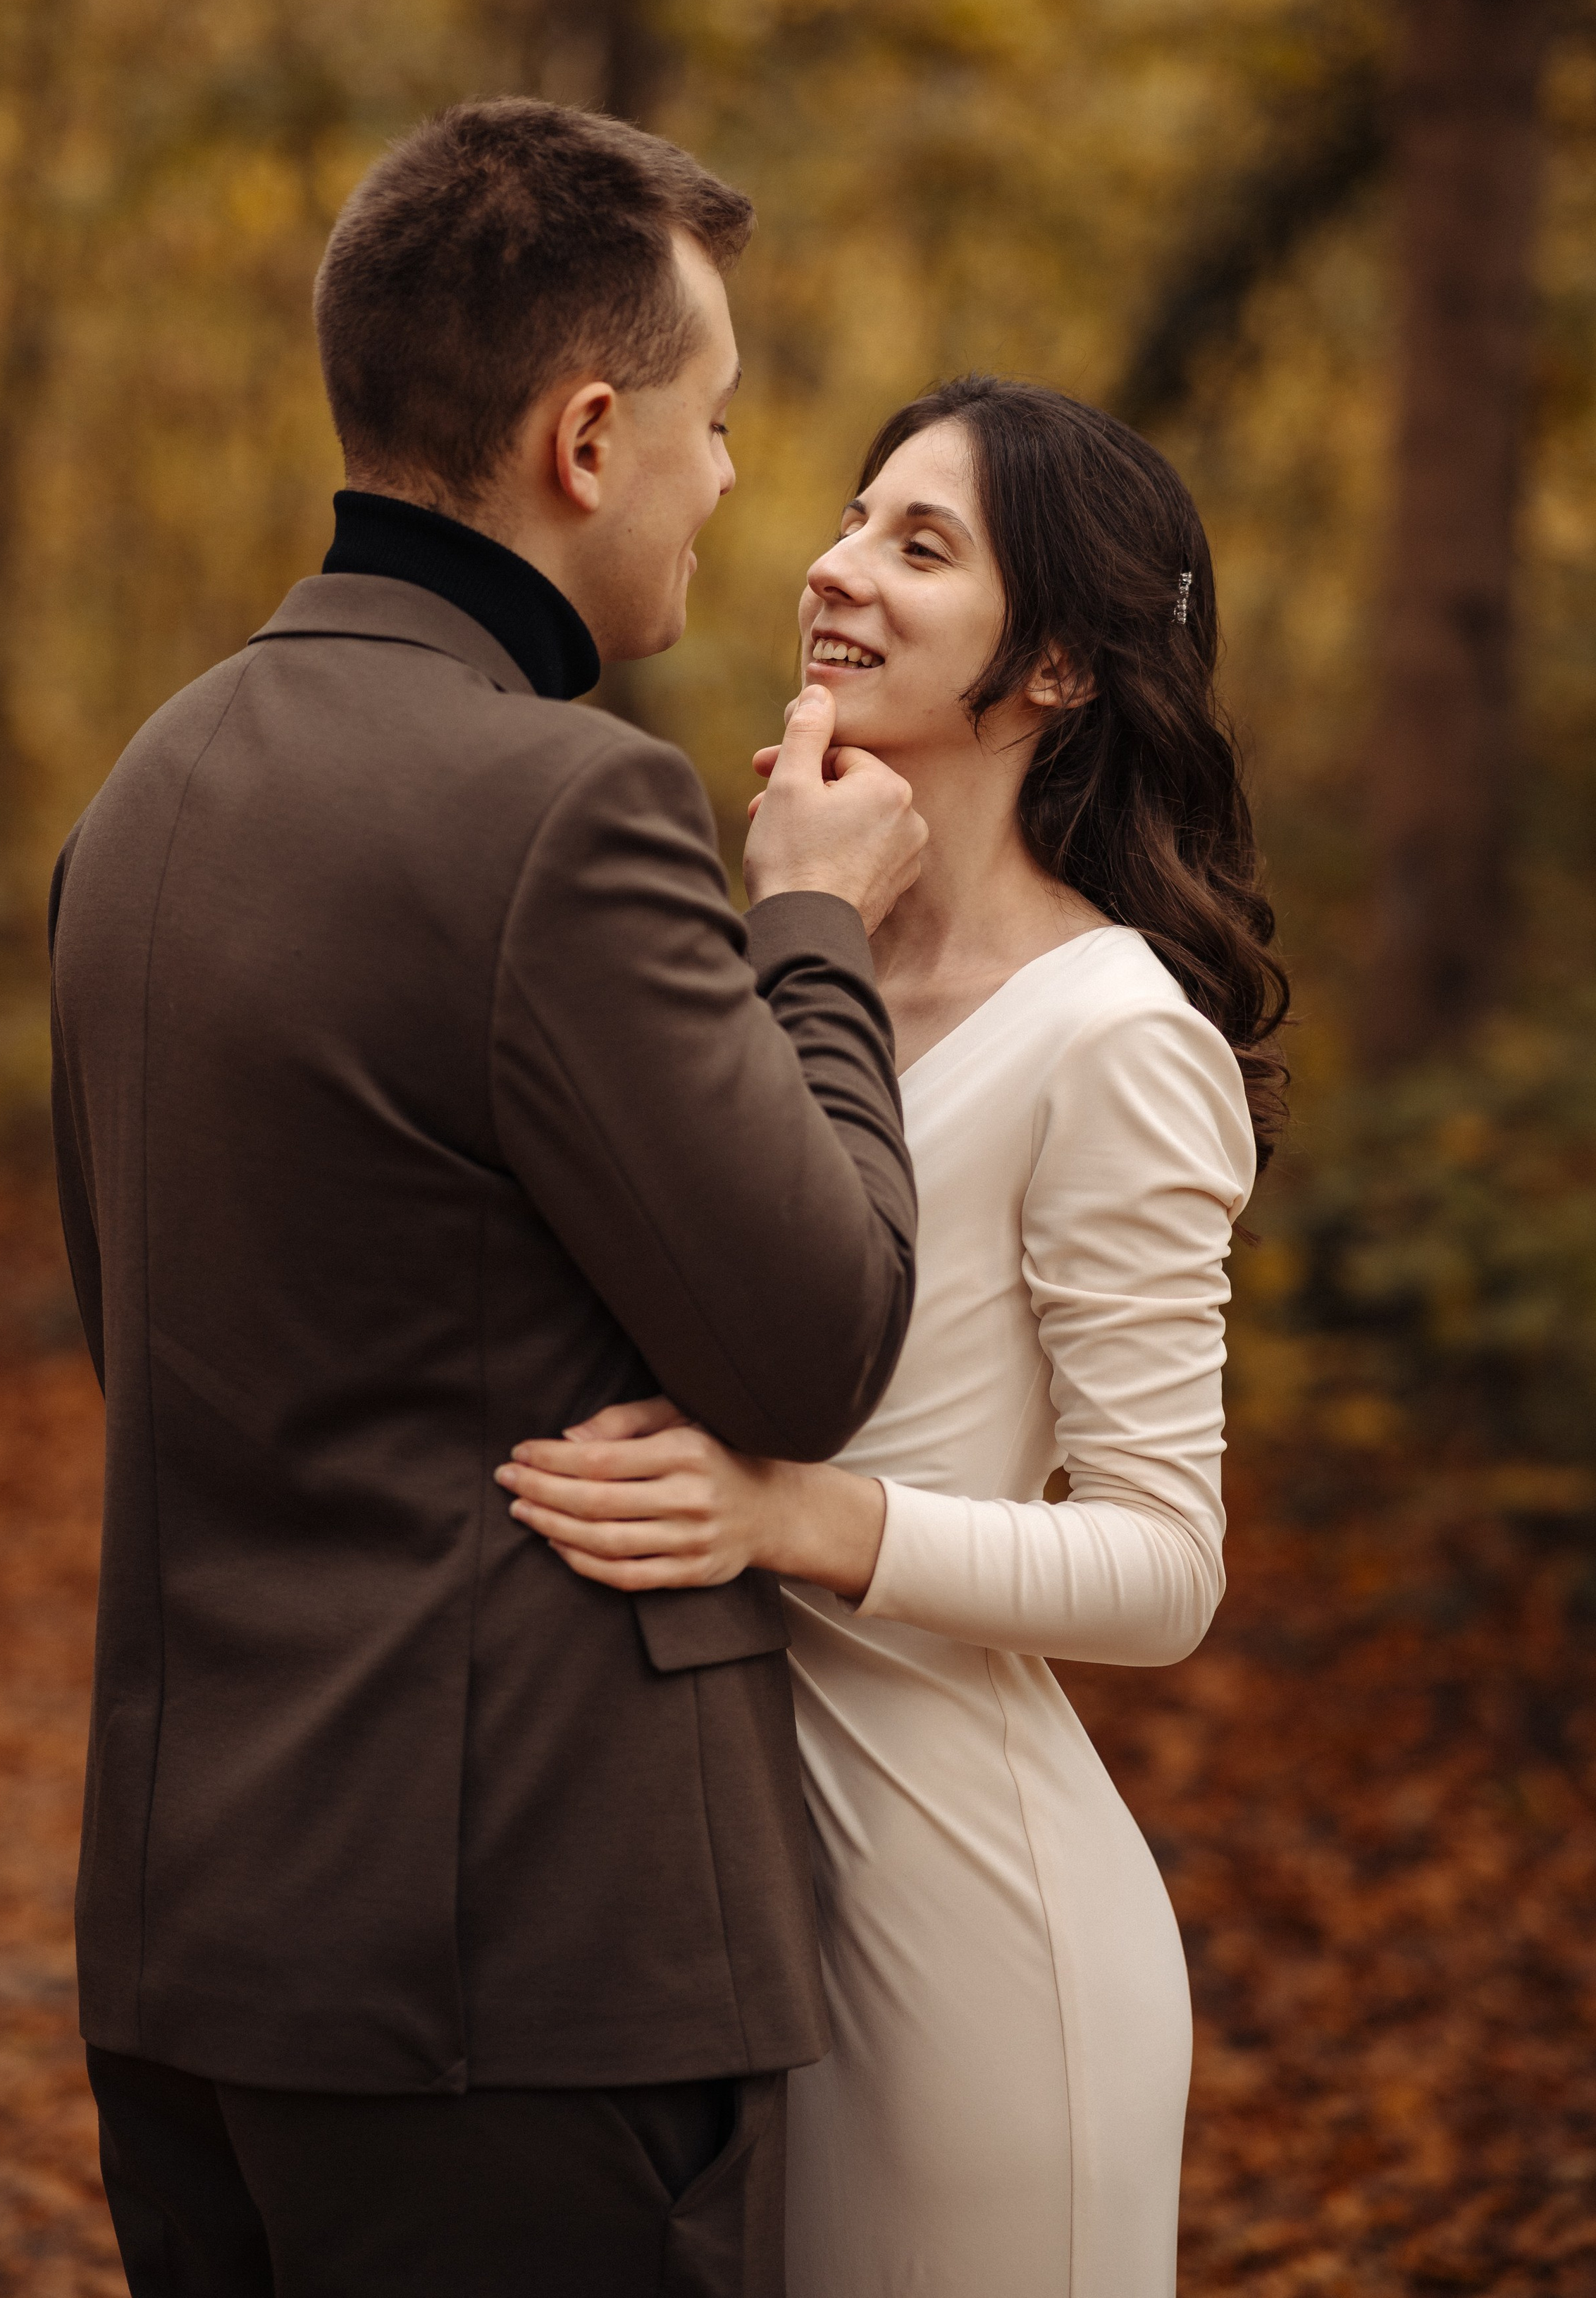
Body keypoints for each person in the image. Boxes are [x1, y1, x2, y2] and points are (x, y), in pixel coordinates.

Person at [47, 99, 932, 2298]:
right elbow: (815, 1342)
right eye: (717, 423)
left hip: (188, 1944)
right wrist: (812, 927)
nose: (736, 484)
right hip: (508, 1972)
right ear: (590, 434)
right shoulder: (563, 809)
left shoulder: (143, 794)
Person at [497, 376, 1289, 2298]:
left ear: (1064, 672)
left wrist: (799, 1520)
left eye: (920, 547)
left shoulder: (1118, 1034)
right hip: (698, 1893)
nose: (835, 572)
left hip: (964, 1923)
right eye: (853, 520)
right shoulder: (776, 957)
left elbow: (1165, 1564)